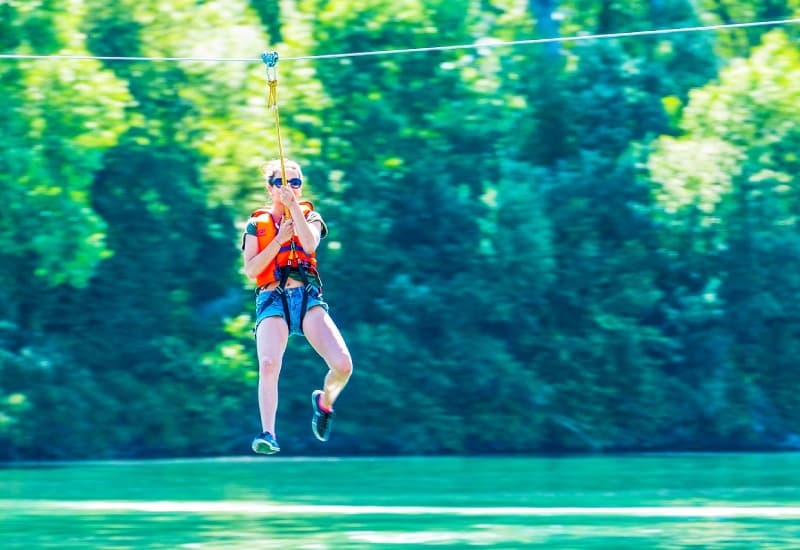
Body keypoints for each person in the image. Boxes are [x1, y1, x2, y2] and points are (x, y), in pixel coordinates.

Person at [241, 159, 353, 454]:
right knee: (268, 363)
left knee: (343, 365)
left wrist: (294, 210)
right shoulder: (256, 225)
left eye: (294, 183)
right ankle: (268, 433)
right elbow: (252, 269)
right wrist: (279, 240)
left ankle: (324, 403)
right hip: (272, 298)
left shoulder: (310, 216)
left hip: (306, 297)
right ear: (270, 188)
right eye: (280, 182)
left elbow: (310, 244)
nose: (287, 187)